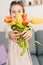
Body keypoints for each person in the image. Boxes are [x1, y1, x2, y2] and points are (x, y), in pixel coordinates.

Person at [5, 1, 33, 65]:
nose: (16, 14)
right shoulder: (8, 27)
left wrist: (29, 32)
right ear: (10, 15)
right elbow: (8, 33)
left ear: (23, 14)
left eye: (19, 11)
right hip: (13, 57)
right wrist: (10, 34)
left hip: (24, 57)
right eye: (13, 12)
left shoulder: (26, 27)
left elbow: (30, 30)